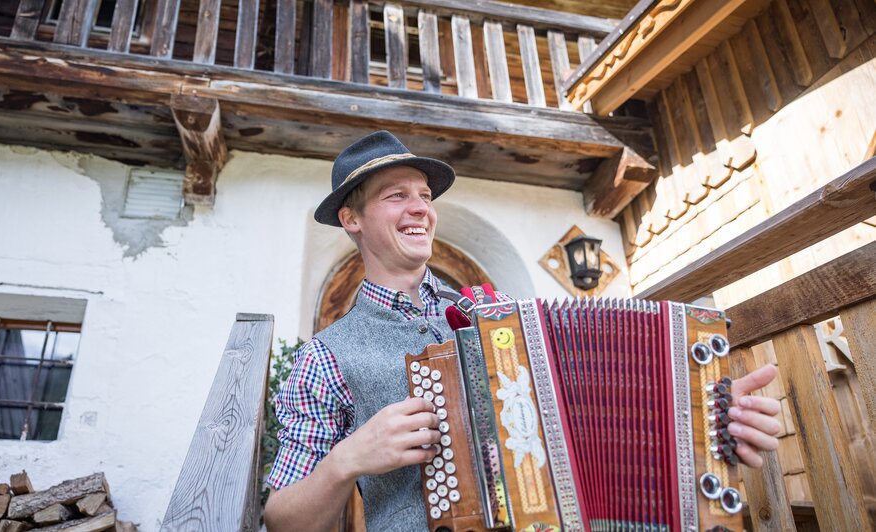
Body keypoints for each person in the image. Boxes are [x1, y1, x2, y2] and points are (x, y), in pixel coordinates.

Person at [263, 131, 781, 532]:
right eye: (396, 196)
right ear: (351, 218)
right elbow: (282, 520)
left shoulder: (503, 317)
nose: (421, 207)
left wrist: (710, 419)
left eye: (424, 195)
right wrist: (346, 461)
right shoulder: (326, 357)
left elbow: (613, 399)